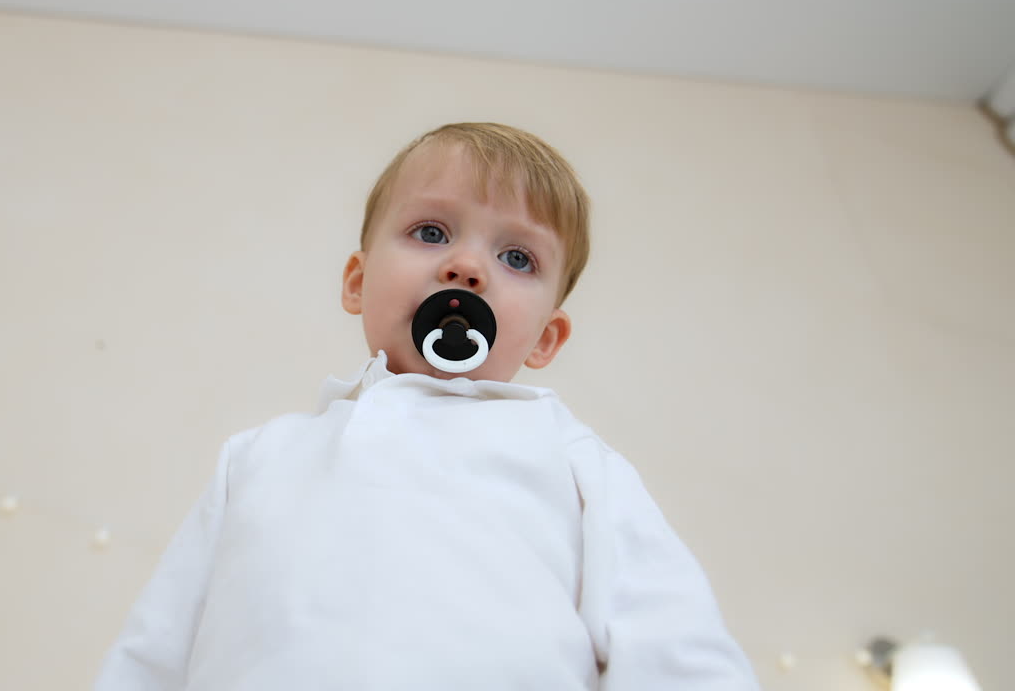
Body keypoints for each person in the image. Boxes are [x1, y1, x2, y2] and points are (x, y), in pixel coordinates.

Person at [95, 123, 759, 690]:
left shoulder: (573, 459)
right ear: (358, 282)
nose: (468, 267)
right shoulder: (260, 456)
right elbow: (156, 648)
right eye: (432, 231)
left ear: (546, 338)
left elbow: (673, 639)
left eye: (517, 256)